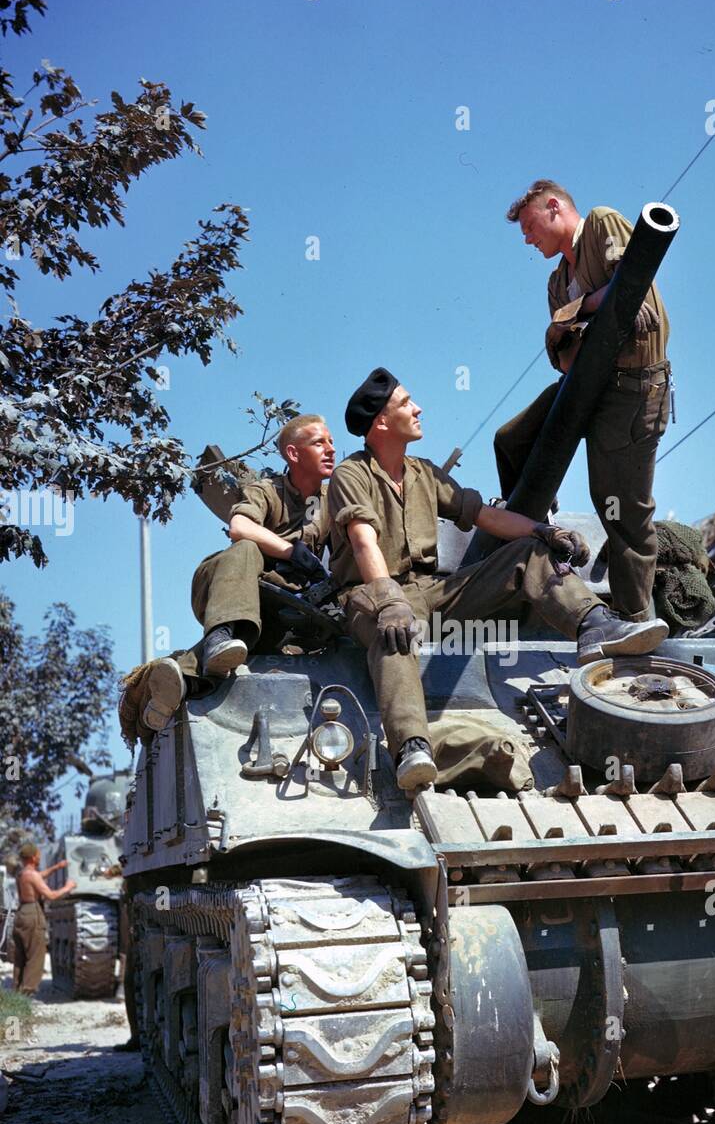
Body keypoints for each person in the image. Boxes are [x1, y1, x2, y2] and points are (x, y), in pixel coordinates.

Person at [327, 368, 669, 790]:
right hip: (371, 594)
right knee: (393, 633)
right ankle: (412, 746)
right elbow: (363, 541)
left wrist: (540, 532)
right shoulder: (351, 475)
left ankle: (593, 626)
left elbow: (484, 515)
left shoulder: (424, 474)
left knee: (526, 553)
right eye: (405, 403)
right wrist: (388, 599)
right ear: (381, 421)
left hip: (432, 593)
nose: (417, 409)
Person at [495, 179, 672, 622]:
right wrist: (580, 317)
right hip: (586, 387)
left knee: (622, 510)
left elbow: (629, 296)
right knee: (510, 439)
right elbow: (563, 354)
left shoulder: (600, 224)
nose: (527, 239)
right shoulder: (558, 283)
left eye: (530, 226)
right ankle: (536, 532)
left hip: (633, 389)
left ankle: (634, 620)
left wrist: (575, 316)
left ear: (554, 207)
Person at [119, 413, 334, 739]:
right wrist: (293, 553)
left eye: (331, 442)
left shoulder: (334, 499)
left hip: (280, 611)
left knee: (244, 659)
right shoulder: (268, 491)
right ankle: (219, 637)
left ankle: (178, 683)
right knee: (247, 548)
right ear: (293, 454)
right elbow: (240, 527)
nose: (331, 449)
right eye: (320, 442)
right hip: (228, 584)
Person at [12, 843, 76, 996]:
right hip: (33, 914)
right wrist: (68, 886)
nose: (40, 858)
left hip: (22, 912)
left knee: (20, 956)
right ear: (33, 857)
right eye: (38, 855)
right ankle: (27, 993)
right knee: (35, 955)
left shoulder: (22, 873)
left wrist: (57, 867)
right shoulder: (32, 875)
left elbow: (39, 876)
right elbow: (51, 896)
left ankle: (17, 993)